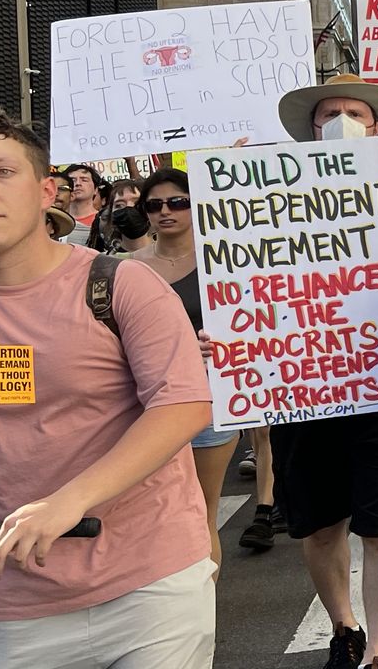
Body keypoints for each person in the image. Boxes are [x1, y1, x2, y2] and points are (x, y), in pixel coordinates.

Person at [0, 105, 215, 666]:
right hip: (10, 600)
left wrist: (66, 503)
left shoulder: (121, 283)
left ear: (46, 189)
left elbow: (185, 403)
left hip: (151, 583)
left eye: (3, 172)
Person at [259, 75, 378, 669]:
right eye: (329, 112)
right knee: (318, 525)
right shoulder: (272, 199)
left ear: (376, 128)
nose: (341, 120)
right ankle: (345, 628)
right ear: (310, 128)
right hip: (301, 388)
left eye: (353, 112)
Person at [130, 168, 240, 573]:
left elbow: (251, 322)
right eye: (154, 205)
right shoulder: (127, 268)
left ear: (197, 206)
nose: (166, 211)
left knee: (201, 511)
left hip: (209, 397)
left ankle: (203, 608)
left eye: (178, 202)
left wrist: (222, 342)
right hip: (145, 405)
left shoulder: (222, 259)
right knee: (156, 514)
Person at [61, 163, 105, 246]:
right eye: (73, 180)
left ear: (95, 189)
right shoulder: (57, 219)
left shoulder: (103, 220)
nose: (78, 184)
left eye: (84, 180)